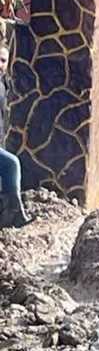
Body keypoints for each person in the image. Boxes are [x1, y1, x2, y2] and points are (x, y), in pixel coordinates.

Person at [0, 46, 27, 229]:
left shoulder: (4, 84)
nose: (0, 64)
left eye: (3, 60)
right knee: (12, 163)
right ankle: (15, 213)